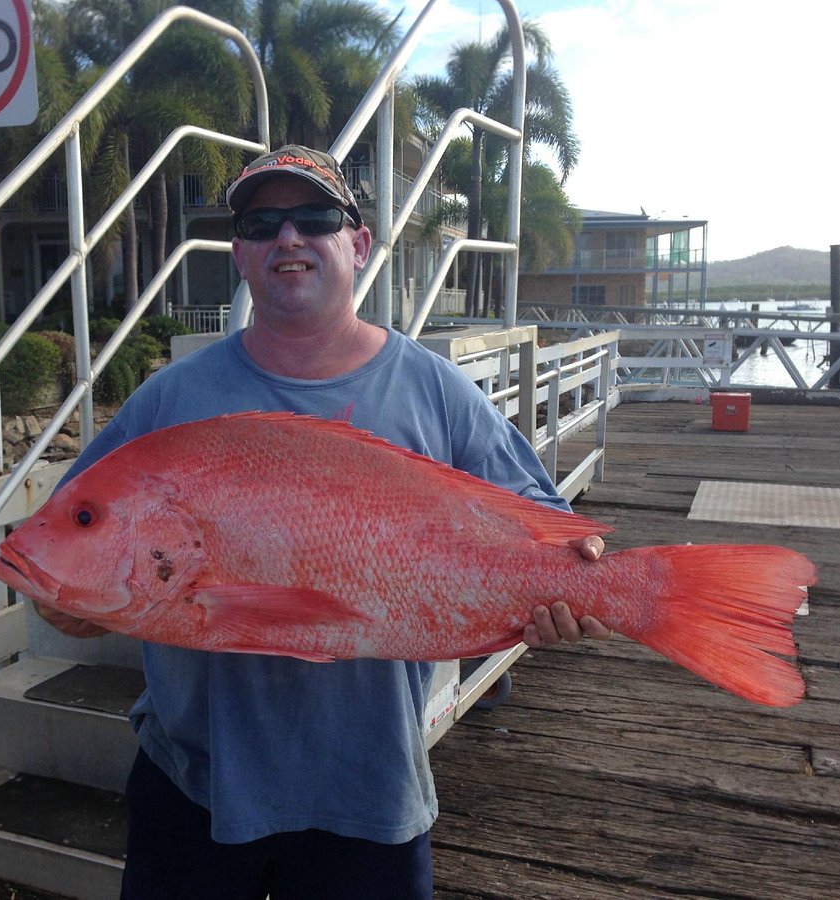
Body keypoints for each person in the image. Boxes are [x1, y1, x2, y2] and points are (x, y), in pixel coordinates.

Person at [37, 144, 611, 899]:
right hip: (194, 786)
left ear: (359, 243)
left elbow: (549, 531)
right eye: (262, 222)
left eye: (315, 218)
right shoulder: (165, 402)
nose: (288, 238)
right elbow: (69, 556)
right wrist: (64, 597)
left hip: (368, 791)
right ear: (239, 252)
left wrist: (590, 588)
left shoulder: (435, 391)